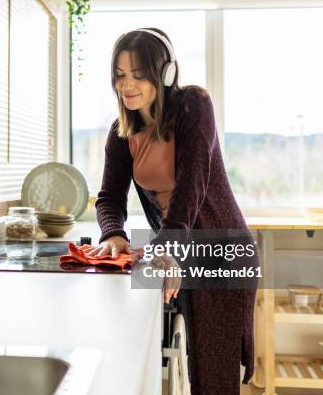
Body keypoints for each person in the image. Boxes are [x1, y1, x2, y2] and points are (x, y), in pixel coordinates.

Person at [90, 28, 259, 395]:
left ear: (165, 74)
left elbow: (192, 182)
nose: (127, 85)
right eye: (120, 75)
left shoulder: (193, 105)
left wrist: (167, 246)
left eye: (139, 74)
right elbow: (108, 198)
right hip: (179, 251)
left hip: (221, 251)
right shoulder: (121, 133)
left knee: (212, 379)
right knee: (181, 367)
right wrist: (114, 233)